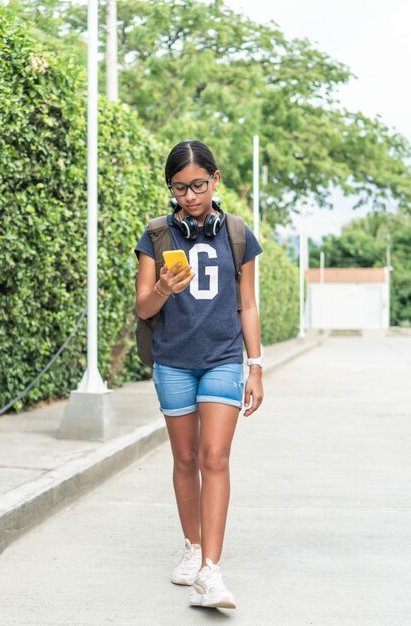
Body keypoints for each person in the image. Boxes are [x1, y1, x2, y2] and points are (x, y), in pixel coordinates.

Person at [134, 139, 264, 610]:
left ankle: (211, 570)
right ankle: (191, 549)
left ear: (215, 179)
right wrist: (164, 289)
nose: (189, 196)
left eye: (197, 185)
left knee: (215, 457)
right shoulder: (156, 234)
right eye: (178, 188)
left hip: (224, 359)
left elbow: (247, 303)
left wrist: (256, 365)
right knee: (185, 459)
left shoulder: (236, 232)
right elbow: (143, 305)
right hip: (173, 361)